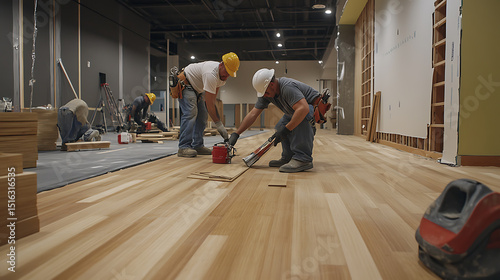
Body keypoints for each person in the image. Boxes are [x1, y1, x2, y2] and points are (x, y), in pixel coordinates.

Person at [228, 68, 318, 173]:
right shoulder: (267, 92)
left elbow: (303, 108)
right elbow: (253, 114)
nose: (265, 95)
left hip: (310, 107)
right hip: (294, 110)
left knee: (300, 119)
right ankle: (288, 157)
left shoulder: (287, 87)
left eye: (265, 92)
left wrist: (286, 130)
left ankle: (303, 159)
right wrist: (237, 133)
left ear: (271, 84)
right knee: (280, 126)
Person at [177, 52, 239, 157]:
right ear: (221, 64)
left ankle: (197, 145)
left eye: (230, 73)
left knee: (203, 116)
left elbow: (212, 100)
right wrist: (219, 125)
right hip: (185, 84)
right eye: (227, 72)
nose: (227, 75)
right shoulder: (211, 73)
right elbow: (209, 103)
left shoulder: (222, 78)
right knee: (191, 113)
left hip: (197, 90)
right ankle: (183, 147)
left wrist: (219, 123)